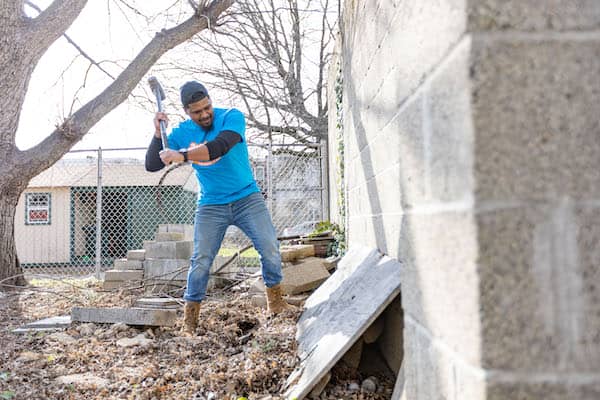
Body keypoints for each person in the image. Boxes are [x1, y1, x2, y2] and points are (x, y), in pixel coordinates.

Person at [145, 81, 294, 336]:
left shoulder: (230, 117)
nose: (204, 114)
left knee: (269, 246)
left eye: (207, 107)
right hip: (211, 204)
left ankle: (276, 303)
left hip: (247, 197)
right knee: (201, 260)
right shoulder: (182, 132)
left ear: (211, 102)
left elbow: (221, 146)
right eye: (197, 111)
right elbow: (151, 165)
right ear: (187, 111)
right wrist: (159, 136)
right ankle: (190, 322)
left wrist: (182, 156)